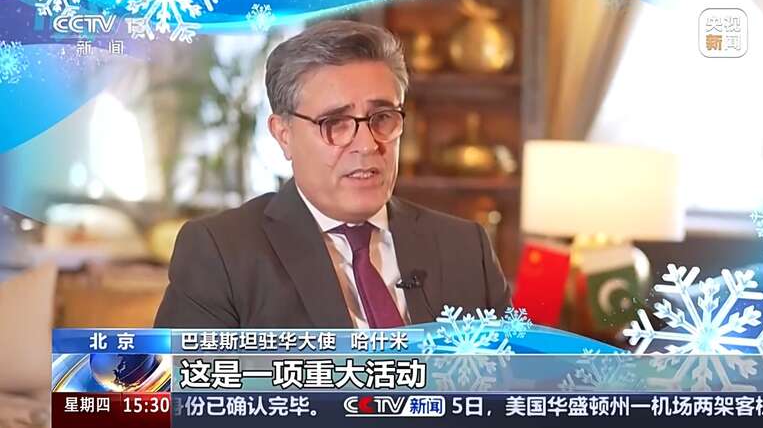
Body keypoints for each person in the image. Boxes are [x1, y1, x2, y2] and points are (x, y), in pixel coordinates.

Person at [154, 20, 510, 328]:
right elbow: (185, 386)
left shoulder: (465, 248)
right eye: (335, 123)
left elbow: (512, 380)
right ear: (284, 135)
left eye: (383, 118)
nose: (367, 144)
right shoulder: (221, 253)